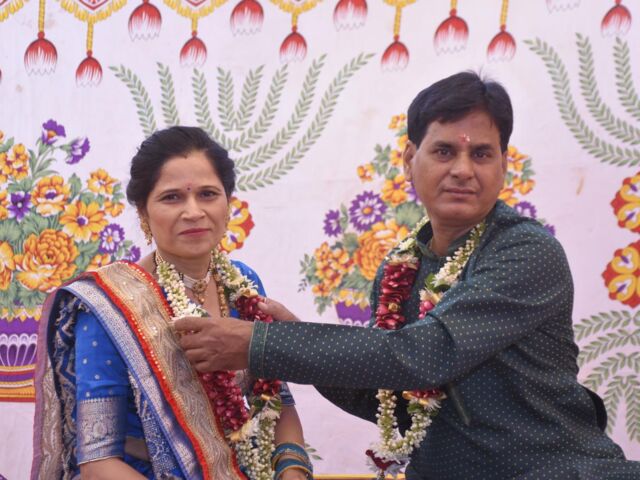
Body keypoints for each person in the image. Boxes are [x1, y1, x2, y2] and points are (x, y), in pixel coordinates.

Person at [173, 72, 640, 479]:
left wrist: (263, 344)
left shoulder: (526, 252)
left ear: (503, 164)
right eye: (444, 151)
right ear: (409, 160)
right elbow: (390, 401)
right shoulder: (403, 268)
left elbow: (427, 354)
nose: (463, 170)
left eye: (481, 154)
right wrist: (291, 339)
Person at [31, 126, 312, 480]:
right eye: (172, 197)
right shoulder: (109, 305)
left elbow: (278, 403)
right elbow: (98, 462)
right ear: (143, 212)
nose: (193, 212)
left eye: (208, 194)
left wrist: (292, 472)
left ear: (228, 204)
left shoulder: (244, 286)